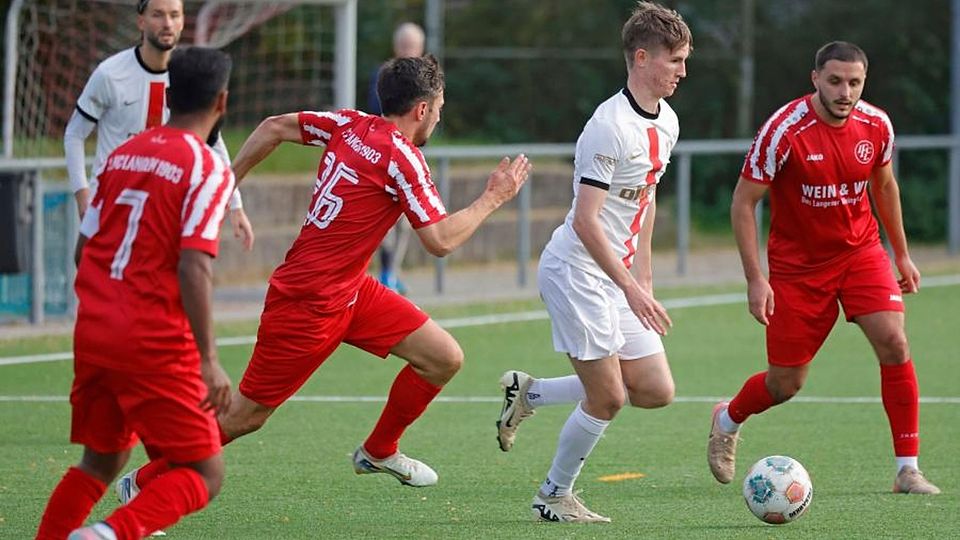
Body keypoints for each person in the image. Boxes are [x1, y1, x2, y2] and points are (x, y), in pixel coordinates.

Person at [114, 54, 530, 501]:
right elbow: (440, 240)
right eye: (440, 108)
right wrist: (493, 197)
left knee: (443, 357)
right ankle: (139, 484)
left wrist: (227, 181)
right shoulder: (403, 159)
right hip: (307, 302)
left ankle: (378, 450)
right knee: (244, 417)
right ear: (422, 110)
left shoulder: (349, 125)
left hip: (349, 290)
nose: (439, 118)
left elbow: (274, 125)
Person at [707, 41, 940, 495]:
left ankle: (907, 469)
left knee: (894, 341)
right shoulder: (784, 130)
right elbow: (743, 202)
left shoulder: (877, 125)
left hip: (861, 252)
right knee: (785, 383)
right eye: (835, 81)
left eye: (854, 82)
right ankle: (727, 417)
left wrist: (902, 253)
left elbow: (885, 186)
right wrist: (757, 279)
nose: (845, 92)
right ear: (815, 78)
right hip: (797, 269)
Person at [495, 1, 690, 523]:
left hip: (619, 277)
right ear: (642, 57)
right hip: (579, 272)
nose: (682, 71)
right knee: (608, 397)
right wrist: (629, 286)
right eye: (675, 60)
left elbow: (643, 201)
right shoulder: (607, 126)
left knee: (654, 389)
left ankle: (530, 393)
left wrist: (643, 279)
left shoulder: (667, 121)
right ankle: (553, 496)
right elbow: (586, 220)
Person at [35, 46, 236, 540]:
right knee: (203, 472)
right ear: (222, 103)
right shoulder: (207, 168)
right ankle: (105, 536)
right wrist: (208, 358)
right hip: (151, 339)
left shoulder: (124, 154)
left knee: (100, 460)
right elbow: (194, 265)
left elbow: (86, 249)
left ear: (168, 96)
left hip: (95, 330)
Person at [64, 0, 254, 250]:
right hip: (110, 207)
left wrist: (235, 205)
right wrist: (82, 195)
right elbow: (74, 134)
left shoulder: (188, 76)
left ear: (183, 20)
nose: (167, 24)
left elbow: (213, 141)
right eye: (158, 15)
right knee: (101, 281)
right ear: (141, 21)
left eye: (174, 15)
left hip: (164, 210)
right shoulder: (110, 74)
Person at [366, 22, 427, 292]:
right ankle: (384, 274)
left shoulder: (428, 79)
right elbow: (376, 112)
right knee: (384, 221)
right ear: (396, 47)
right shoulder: (384, 76)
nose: (408, 50)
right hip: (385, 159)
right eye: (404, 46)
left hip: (411, 161)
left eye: (412, 46)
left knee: (407, 223)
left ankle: (392, 272)